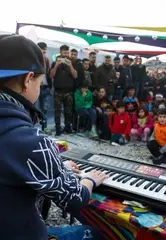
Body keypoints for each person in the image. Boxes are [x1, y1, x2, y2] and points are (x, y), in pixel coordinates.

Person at [0, 34, 107, 240]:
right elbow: (75, 198)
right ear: (28, 79)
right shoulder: (29, 140)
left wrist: (57, 169)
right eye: (40, 82)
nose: (40, 88)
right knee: (96, 234)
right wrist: (89, 180)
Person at [50, 45, 78, 136]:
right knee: (57, 111)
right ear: (60, 52)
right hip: (58, 91)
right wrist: (56, 65)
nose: (66, 54)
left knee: (68, 111)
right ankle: (58, 127)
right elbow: (51, 75)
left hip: (69, 91)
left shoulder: (72, 62)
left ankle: (67, 127)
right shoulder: (55, 62)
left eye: (67, 52)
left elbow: (75, 76)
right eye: (64, 52)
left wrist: (70, 66)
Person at [36, 42, 52, 134]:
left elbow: (49, 74)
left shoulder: (46, 59)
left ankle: (44, 127)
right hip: (34, 87)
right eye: (42, 52)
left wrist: (50, 86)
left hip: (45, 87)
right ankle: (30, 127)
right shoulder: (32, 59)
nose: (43, 54)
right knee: (32, 107)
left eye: (45, 52)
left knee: (44, 108)